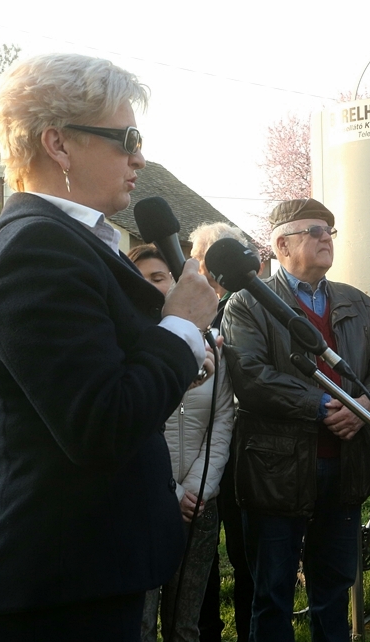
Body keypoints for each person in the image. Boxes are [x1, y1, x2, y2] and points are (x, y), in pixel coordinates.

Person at [0, 53, 220, 641]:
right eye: (126, 137)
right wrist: (180, 328)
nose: (139, 156)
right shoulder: (37, 251)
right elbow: (100, 423)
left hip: (89, 575)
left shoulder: (76, 243)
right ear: (58, 143)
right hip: (56, 595)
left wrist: (179, 356)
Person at [222, 197, 370, 642]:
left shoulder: (357, 302)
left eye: (330, 231)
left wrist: (363, 405)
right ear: (282, 245)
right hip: (276, 470)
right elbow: (251, 376)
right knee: (274, 591)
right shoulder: (247, 304)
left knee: (334, 588)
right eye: (314, 231)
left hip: (345, 466)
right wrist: (324, 406)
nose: (326, 238)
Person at [131, 245, 234, 642]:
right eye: (140, 281)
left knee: (185, 623)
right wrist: (172, 492)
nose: (152, 288)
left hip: (200, 504)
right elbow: (136, 423)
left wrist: (197, 489)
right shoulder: (127, 345)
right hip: (146, 501)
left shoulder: (211, 344)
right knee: (141, 621)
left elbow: (224, 419)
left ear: (176, 284)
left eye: (159, 278)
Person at [187, 222, 253, 642]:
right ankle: (205, 628)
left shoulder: (249, 303)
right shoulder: (184, 307)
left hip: (244, 446)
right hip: (196, 450)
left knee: (245, 553)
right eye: (207, 256)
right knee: (200, 557)